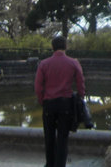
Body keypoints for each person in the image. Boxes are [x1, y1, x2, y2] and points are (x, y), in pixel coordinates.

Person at [35, 35, 86, 167]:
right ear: (66, 47)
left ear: (52, 47)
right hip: (66, 104)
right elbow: (80, 82)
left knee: (49, 137)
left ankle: (50, 164)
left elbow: (38, 86)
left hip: (49, 103)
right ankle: (60, 164)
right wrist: (81, 96)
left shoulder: (44, 64)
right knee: (63, 138)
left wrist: (42, 100)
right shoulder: (73, 62)